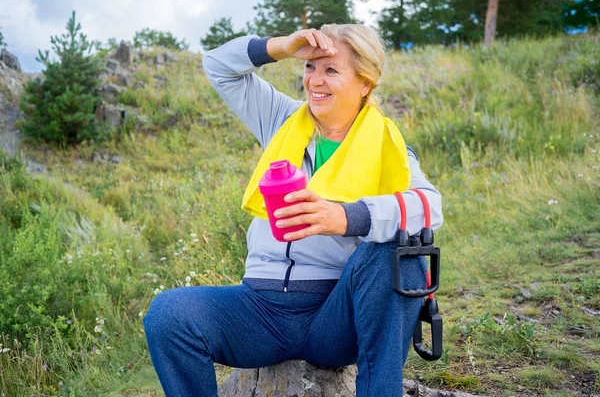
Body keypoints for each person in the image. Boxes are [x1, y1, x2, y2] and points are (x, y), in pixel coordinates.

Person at [144, 24, 443, 397]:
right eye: (310, 68)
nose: (315, 80)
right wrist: (281, 47)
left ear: (365, 82)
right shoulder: (281, 120)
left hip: (334, 317)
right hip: (259, 311)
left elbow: (429, 206)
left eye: (331, 70)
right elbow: (218, 65)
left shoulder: (388, 145)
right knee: (168, 314)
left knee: (400, 254)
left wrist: (346, 217)